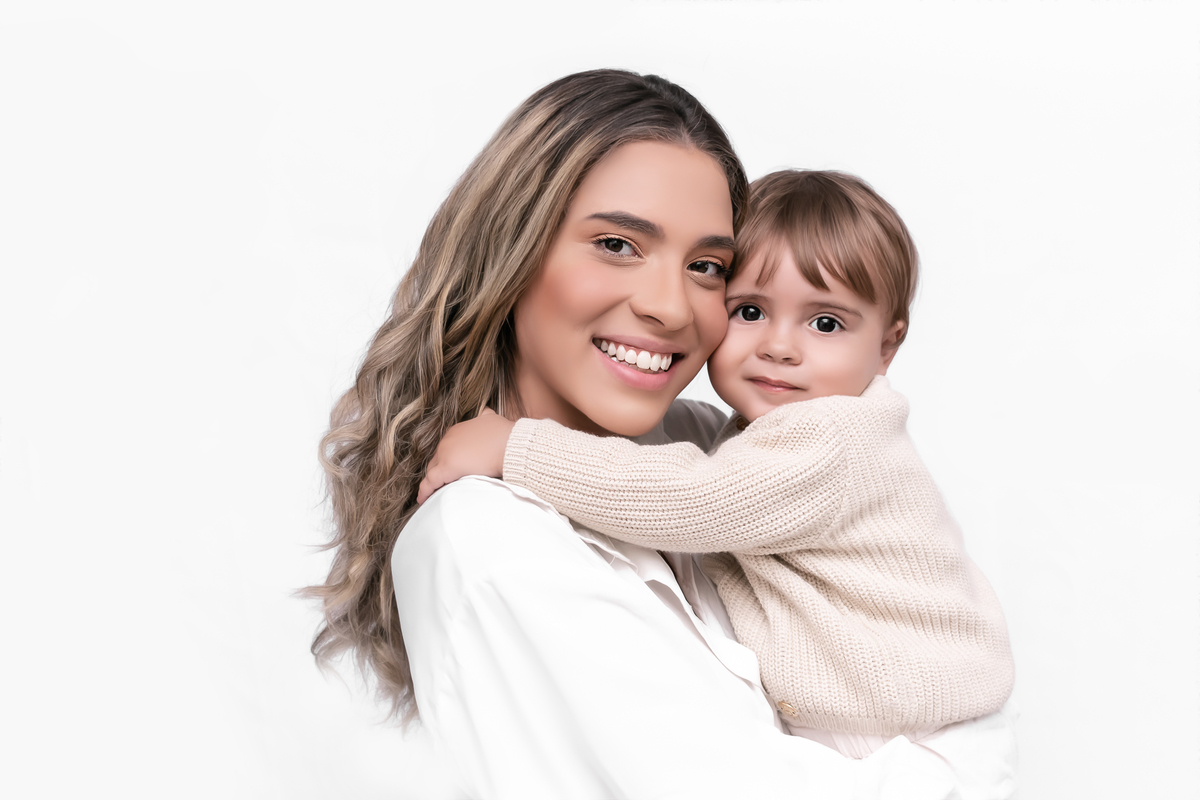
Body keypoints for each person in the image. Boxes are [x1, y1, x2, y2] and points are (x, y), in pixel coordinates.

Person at [311, 69, 1015, 798]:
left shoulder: (702, 449)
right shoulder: (491, 543)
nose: (670, 307)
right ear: (510, 252)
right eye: (617, 245)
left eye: (707, 267)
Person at [419, 170, 1016, 764]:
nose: (780, 346)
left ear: (888, 347)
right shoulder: (766, 434)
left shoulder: (835, 441)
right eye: (751, 311)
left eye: (825, 323)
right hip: (867, 716)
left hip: (900, 731)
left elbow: (694, 496)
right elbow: (686, 445)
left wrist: (519, 447)